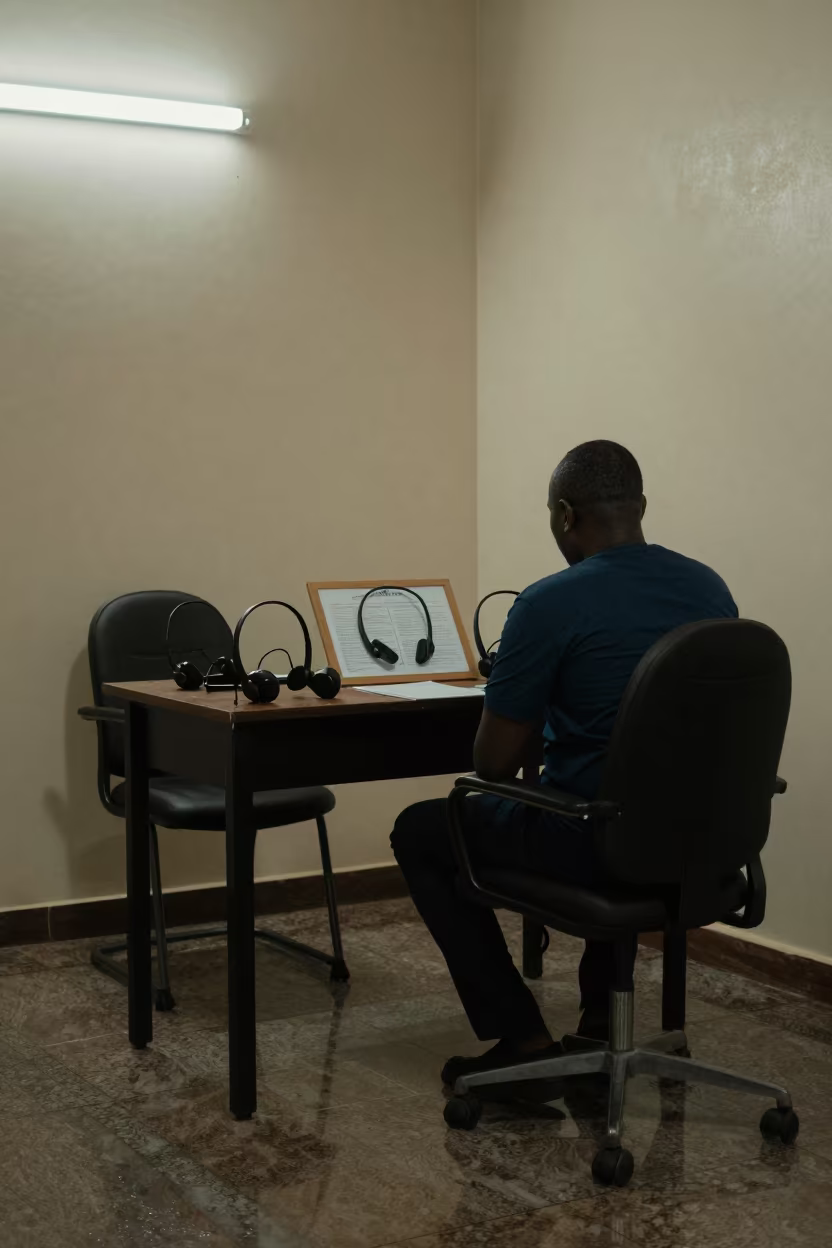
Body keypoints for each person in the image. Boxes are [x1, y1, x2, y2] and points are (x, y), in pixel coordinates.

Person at [391, 439, 738, 1086]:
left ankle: (519, 1033)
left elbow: (492, 762)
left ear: (563, 515)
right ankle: (604, 1017)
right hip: (702, 844)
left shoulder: (550, 603)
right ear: (640, 507)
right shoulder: (709, 588)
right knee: (623, 800)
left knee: (422, 830)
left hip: (596, 844)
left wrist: (535, 698)